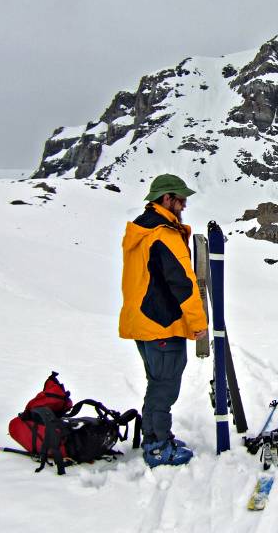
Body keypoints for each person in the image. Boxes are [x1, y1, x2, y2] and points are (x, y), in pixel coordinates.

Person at [119, 174, 208, 468]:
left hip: (143, 322)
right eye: (180, 199)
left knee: (157, 383)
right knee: (164, 387)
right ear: (166, 199)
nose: (184, 204)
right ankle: (157, 446)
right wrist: (198, 323)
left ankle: (156, 437)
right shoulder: (162, 234)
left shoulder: (141, 230)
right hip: (161, 324)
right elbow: (183, 283)